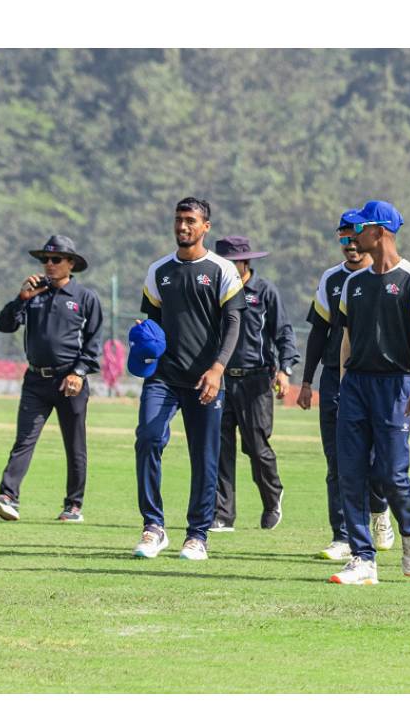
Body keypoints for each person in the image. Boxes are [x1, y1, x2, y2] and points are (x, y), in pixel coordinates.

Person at [133, 198, 245, 561]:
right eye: (179, 219)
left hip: (205, 379)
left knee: (205, 456)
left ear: (205, 227)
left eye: (191, 220)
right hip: (163, 377)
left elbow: (234, 323)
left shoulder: (221, 270)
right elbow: (152, 324)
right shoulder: (158, 270)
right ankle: (153, 527)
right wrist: (143, 338)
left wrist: (217, 368)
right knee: (148, 438)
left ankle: (197, 535)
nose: (183, 226)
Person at [329, 200, 410, 585]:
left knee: (391, 473)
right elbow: (347, 340)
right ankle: (363, 559)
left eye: (360, 228)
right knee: (350, 472)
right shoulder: (353, 283)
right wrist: (344, 385)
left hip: (396, 386)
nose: (353, 236)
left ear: (381, 231)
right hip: (356, 384)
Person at [0, 236, 102, 523]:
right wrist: (21, 298)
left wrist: (78, 373)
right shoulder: (34, 294)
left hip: (69, 380)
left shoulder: (85, 298)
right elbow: (5, 325)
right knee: (24, 440)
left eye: (55, 259)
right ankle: (8, 498)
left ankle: (73, 506)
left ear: (70, 263)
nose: (49, 264)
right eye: (45, 260)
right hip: (35, 380)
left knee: (74, 445)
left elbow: (94, 343)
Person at [297, 211, 395, 560]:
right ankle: (342, 535)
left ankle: (380, 509)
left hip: (377, 378)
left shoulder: (389, 277)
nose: (350, 245)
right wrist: (306, 381)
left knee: (379, 461)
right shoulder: (332, 279)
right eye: (343, 239)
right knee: (337, 462)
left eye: (355, 237)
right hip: (335, 379)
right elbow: (319, 332)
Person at [209, 236, 300, 532]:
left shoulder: (264, 291)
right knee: (220, 448)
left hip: (256, 381)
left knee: (256, 447)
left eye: (231, 263)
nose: (226, 269)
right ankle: (223, 514)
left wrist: (285, 370)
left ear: (245, 262)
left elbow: (284, 333)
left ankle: (272, 499)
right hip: (221, 380)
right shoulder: (214, 291)